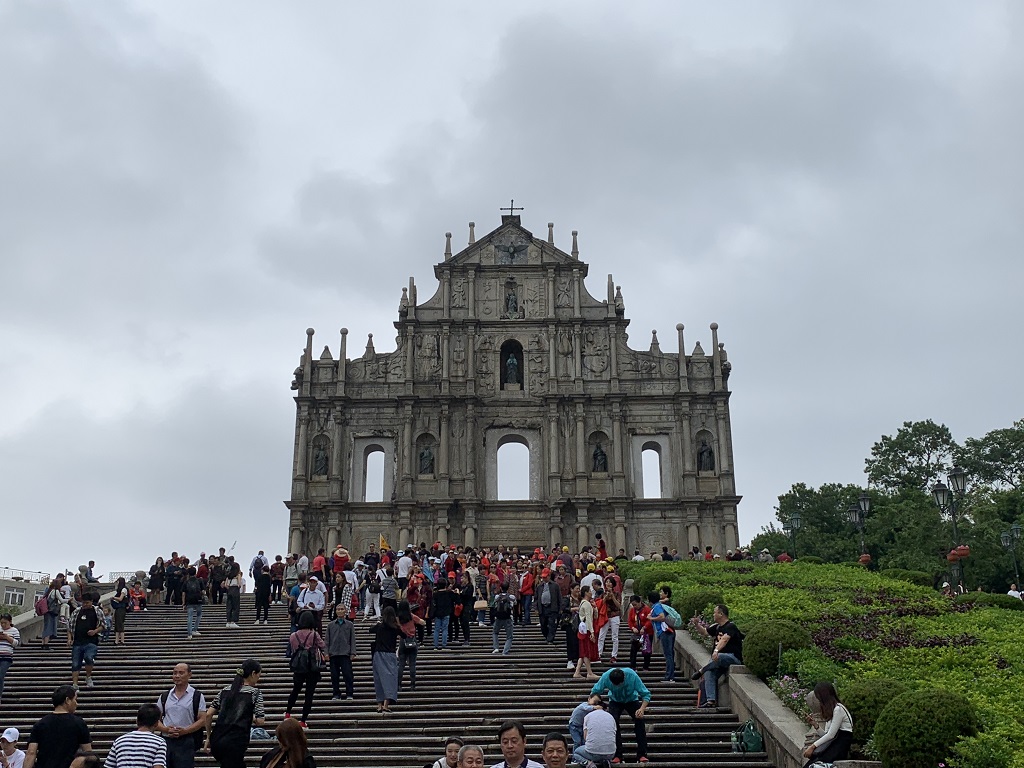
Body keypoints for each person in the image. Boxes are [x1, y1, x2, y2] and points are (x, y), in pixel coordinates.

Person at [205, 660, 265, 768]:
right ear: (253, 674)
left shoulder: (225, 690)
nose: (258, 679)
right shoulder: (254, 693)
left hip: (217, 740)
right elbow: (260, 721)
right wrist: (252, 716)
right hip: (236, 741)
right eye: (258, 676)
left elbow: (208, 714)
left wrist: (208, 737)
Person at [589, 667, 650, 764]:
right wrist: (595, 703)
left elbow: (646, 694)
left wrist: (641, 709)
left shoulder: (632, 675)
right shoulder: (606, 676)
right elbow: (595, 691)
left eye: (619, 684)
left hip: (631, 699)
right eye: (614, 685)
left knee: (640, 721)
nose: (617, 687)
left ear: (624, 678)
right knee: (613, 722)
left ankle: (642, 754)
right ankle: (617, 754)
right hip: (615, 701)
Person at [689, 603, 744, 709]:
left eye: (715, 612)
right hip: (718, 661)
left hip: (732, 658)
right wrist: (697, 624)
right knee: (709, 673)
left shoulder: (730, 626)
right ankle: (710, 700)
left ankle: (701, 671)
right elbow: (705, 632)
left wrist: (716, 650)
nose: (713, 615)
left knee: (721, 656)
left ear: (721, 614)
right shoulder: (716, 627)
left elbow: (725, 639)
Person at [24, 685, 91, 768]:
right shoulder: (79, 723)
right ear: (67, 700)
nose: (76, 703)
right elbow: (88, 753)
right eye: (75, 699)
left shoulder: (40, 724)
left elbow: (31, 752)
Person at [156, 663, 207, 768]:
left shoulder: (197, 695)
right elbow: (156, 719)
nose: (177, 676)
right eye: (175, 673)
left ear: (189, 675)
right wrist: (166, 729)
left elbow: (202, 719)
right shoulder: (165, 696)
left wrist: (185, 731)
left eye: (181, 673)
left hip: (186, 740)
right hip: (166, 740)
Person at [285, 611, 325, 727]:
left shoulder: (293, 635)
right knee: (309, 693)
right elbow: (322, 646)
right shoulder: (314, 634)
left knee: (295, 690)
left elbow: (292, 649)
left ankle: (287, 713)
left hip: (299, 666)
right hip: (311, 667)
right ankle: (303, 720)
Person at [802, 682, 852, 766]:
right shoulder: (832, 711)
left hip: (839, 748)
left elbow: (831, 735)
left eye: (819, 698)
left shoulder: (839, 709)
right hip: (833, 746)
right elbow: (826, 735)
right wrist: (815, 725)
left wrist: (812, 746)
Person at [369, 606, 402, 713]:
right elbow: (405, 636)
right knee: (390, 679)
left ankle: (379, 705)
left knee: (378, 679)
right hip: (390, 655)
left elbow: (370, 630)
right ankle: (386, 705)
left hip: (378, 654)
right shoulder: (395, 628)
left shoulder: (379, 626)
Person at [68, 592, 102, 690]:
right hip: (78, 641)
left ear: (91, 602)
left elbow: (103, 625)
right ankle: (75, 684)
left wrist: (95, 631)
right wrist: (70, 638)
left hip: (91, 641)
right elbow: (70, 626)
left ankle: (88, 676)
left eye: (87, 603)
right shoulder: (77, 611)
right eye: (83, 603)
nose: (85, 605)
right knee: (75, 663)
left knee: (89, 657)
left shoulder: (97, 611)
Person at [572, 698, 616, 767]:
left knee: (576, 753)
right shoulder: (611, 717)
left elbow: (585, 737)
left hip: (593, 752)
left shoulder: (588, 716)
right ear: (605, 709)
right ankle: (606, 761)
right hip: (611, 753)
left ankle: (589, 764)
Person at [325, 604, 356, 701]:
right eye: (338, 609)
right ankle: (336, 693)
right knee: (334, 675)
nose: (339, 611)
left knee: (348, 674)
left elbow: (352, 639)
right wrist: (326, 653)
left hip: (345, 653)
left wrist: (353, 652)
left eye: (342, 609)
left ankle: (349, 693)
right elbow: (327, 640)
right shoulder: (330, 625)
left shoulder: (350, 625)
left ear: (345, 611)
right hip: (333, 653)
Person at [648, 587, 677, 682]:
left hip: (666, 632)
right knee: (669, 654)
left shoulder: (657, 607)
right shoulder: (659, 605)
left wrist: (651, 618)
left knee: (668, 654)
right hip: (668, 632)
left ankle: (669, 677)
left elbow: (662, 617)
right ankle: (670, 676)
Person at [396, 600, 425, 691]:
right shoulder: (411, 616)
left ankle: (399, 684)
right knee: (412, 664)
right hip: (412, 640)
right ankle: (412, 684)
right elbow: (422, 622)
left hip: (402, 641)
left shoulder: (398, 618)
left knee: (401, 664)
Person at [573, 586, 598, 680]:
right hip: (586, 630)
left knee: (583, 651)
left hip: (582, 630)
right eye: (590, 591)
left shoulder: (584, 603)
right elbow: (588, 619)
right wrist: (592, 632)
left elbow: (593, 617)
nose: (591, 593)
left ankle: (577, 671)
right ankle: (589, 672)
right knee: (586, 651)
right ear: (586, 593)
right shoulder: (586, 604)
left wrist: (595, 608)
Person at [597, 578, 621, 664]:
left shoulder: (617, 594)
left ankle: (614, 655)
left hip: (614, 615)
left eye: (610, 582)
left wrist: (613, 596)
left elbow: (618, 605)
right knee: (601, 635)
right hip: (605, 616)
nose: (608, 584)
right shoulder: (603, 594)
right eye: (607, 582)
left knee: (614, 636)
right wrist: (605, 598)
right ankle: (599, 653)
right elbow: (600, 604)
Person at [626, 595, 652, 671]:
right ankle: (633, 665)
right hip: (637, 633)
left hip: (647, 633)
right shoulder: (632, 610)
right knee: (633, 649)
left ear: (639, 602)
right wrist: (633, 628)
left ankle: (646, 666)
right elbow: (630, 621)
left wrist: (644, 627)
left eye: (635, 604)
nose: (634, 606)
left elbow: (650, 620)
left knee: (647, 650)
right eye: (633, 605)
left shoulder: (647, 609)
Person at [0, 614, 21, 706]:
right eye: (1, 623)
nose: (3, 625)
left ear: (10, 622)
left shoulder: (14, 631)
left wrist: (7, 637)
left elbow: (16, 643)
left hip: (6, 657)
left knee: (0, 675)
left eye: (5, 623)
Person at [431, 577, 455, 651]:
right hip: (446, 613)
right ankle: (444, 645)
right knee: (445, 629)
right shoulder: (449, 593)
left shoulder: (435, 594)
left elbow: (433, 604)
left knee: (436, 629)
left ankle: (435, 645)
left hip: (438, 613)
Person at [491, 583, 514, 655]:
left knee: (495, 632)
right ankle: (505, 651)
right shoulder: (511, 597)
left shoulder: (497, 596)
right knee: (509, 636)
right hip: (507, 618)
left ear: (501, 588)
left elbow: (494, 604)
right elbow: (514, 604)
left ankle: (496, 647)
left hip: (498, 617)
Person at [223, 563, 243, 629]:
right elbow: (239, 584)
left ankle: (228, 621)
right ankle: (233, 621)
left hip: (229, 590)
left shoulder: (229, 575)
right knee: (235, 606)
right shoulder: (238, 575)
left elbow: (225, 585)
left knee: (229, 606)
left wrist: (229, 588)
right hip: (235, 590)